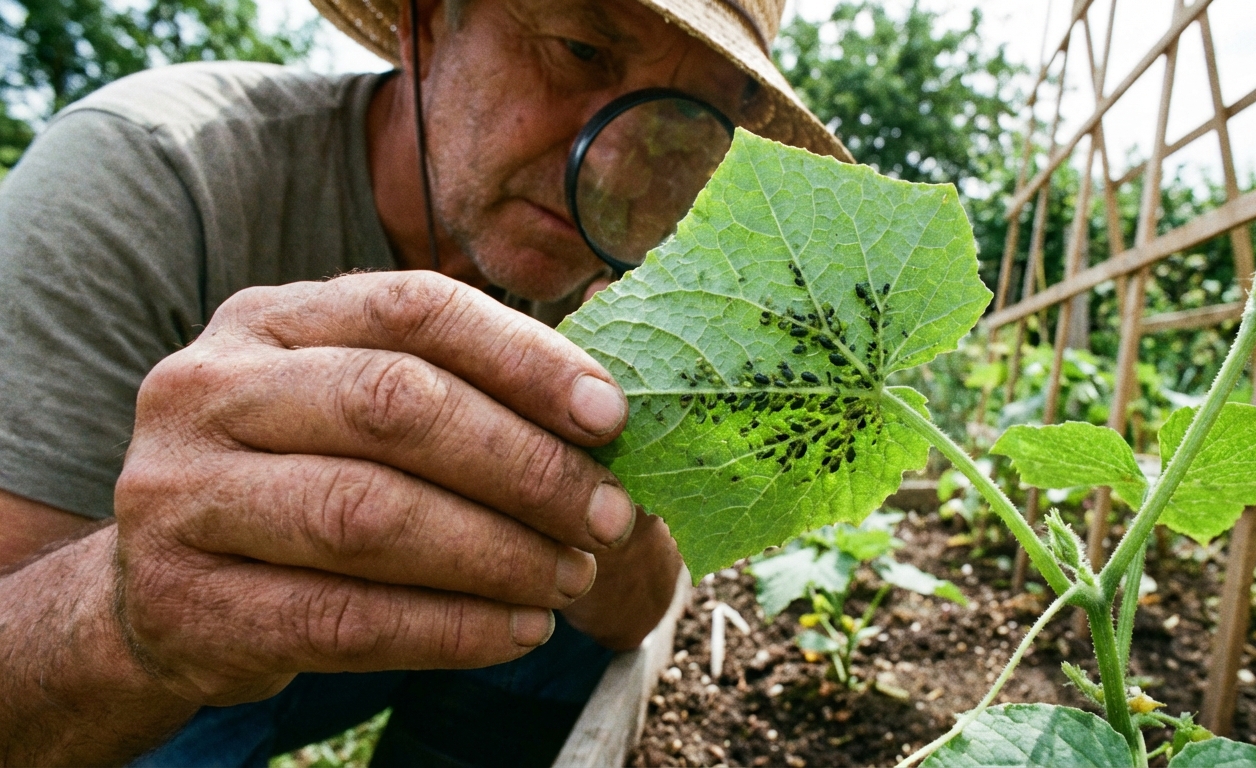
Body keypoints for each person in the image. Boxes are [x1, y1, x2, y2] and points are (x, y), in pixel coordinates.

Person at [0, 0, 849, 764]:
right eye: (581, 50)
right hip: (164, 689)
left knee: (574, 631)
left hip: (436, 635)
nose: (612, 167)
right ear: (426, 23)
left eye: (680, 124)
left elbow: (635, 616)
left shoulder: (624, 278)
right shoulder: (148, 174)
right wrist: (131, 615)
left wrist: (619, 479)